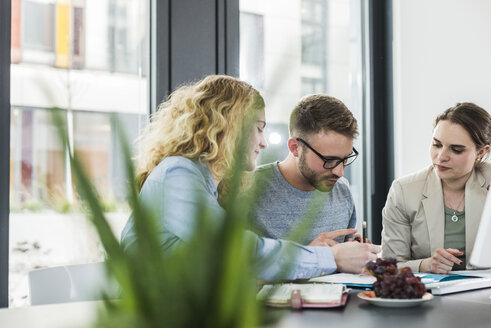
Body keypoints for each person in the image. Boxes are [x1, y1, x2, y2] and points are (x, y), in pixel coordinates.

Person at [120, 75, 380, 281]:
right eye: (258, 129)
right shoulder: (178, 174)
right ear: (228, 127)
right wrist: (329, 257)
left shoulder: (210, 185)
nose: (263, 143)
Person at [381, 102, 491, 273]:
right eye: (437, 144)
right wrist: (424, 265)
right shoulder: (404, 191)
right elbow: (390, 266)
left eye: (456, 150)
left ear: (481, 152)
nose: (441, 157)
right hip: (430, 295)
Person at [250, 94, 363, 246]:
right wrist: (312, 254)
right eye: (329, 160)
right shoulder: (249, 190)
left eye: (345, 159)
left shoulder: (342, 189)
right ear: (294, 148)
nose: (339, 172)